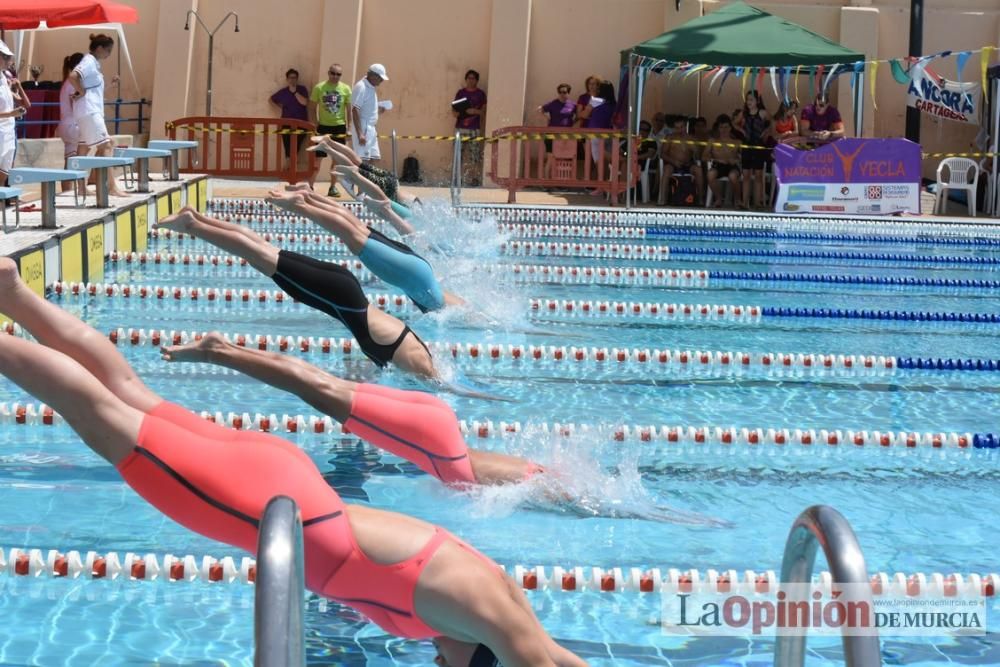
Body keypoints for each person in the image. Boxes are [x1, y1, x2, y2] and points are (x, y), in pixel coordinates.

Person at [0, 258, 586, 667]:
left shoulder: (513, 613)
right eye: (445, 664)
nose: (433, 659)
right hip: (284, 516)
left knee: (127, 391)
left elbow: (564, 659)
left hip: (290, 486)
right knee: (98, 412)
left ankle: (13, 294)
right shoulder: (503, 631)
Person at [161, 333, 542, 487]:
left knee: (320, 383)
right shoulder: (544, 483)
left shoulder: (540, 471)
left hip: (436, 424)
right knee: (314, 388)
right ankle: (218, 352)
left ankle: (225, 349)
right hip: (432, 443)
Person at [153, 207, 448, 382]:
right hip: (338, 297)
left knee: (263, 253)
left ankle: (197, 220)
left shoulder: (417, 355)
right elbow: (438, 386)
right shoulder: (420, 367)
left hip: (342, 291)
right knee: (261, 254)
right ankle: (192, 226)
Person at [68, 33, 125, 197]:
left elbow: (93, 90)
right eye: (108, 50)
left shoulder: (93, 64)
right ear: (99, 48)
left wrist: (109, 86)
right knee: (106, 145)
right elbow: (73, 77)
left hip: (87, 111)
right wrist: (81, 90)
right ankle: (110, 187)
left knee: (84, 148)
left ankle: (81, 187)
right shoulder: (89, 62)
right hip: (90, 111)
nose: (109, 54)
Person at [309, 64, 352, 195]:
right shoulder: (319, 88)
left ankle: (332, 187)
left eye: (338, 74)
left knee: (337, 160)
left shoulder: (346, 88)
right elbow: (311, 107)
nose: (335, 76)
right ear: (328, 73)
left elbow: (349, 110)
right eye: (333, 73)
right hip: (323, 127)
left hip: (339, 127)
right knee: (318, 159)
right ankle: (310, 186)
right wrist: (315, 125)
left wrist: (349, 128)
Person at [269, 68, 310, 170]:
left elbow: (304, 102)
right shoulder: (283, 92)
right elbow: (271, 100)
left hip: (301, 123)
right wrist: (280, 107)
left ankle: (289, 168)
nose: (293, 80)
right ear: (287, 79)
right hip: (286, 122)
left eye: (295, 78)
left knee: (296, 146)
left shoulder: (302, 89)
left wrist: (295, 92)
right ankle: (290, 168)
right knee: (287, 146)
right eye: (291, 78)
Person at [0, 41, 28, 188]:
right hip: (2, 131)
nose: (8, 60)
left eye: (8, 57)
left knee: (4, 174)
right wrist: (11, 113)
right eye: (5, 56)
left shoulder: (4, 78)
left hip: (8, 131)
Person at [452, 69, 487, 187]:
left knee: (474, 156)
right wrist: (455, 113)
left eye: (473, 78)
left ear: (477, 80)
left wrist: (474, 111)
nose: (470, 80)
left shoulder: (481, 94)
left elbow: (484, 112)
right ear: (465, 79)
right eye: (468, 78)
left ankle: (474, 178)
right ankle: (457, 179)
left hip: (474, 129)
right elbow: (454, 109)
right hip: (460, 128)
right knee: (458, 154)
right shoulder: (460, 93)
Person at [657, 117, 702, 206]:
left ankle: (700, 199)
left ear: (685, 127)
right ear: (674, 128)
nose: (680, 130)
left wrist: (695, 149)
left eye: (681, 127)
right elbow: (662, 154)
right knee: (667, 169)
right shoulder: (670, 137)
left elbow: (698, 157)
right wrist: (674, 161)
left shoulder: (691, 138)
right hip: (672, 164)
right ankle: (663, 199)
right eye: (677, 128)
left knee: (699, 170)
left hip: (688, 164)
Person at [58, 52, 85, 192]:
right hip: (72, 125)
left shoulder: (67, 82)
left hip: (65, 125)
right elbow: (76, 100)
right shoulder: (73, 83)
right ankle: (81, 187)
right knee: (80, 155)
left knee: (70, 159)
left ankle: (68, 190)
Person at [351, 63, 389, 163]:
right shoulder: (361, 87)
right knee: (361, 161)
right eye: (380, 78)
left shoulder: (370, 87)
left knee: (374, 158)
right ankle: (350, 179)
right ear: (371, 75)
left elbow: (365, 108)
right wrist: (360, 134)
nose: (381, 81)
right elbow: (355, 110)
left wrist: (377, 111)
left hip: (371, 128)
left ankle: (368, 179)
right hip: (364, 127)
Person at [703, 114, 742, 208]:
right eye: (721, 127)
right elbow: (704, 156)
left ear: (730, 128)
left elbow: (744, 157)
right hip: (717, 165)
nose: (724, 130)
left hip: (732, 166)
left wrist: (736, 159)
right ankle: (718, 198)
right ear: (718, 128)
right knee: (710, 174)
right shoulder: (712, 141)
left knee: (733, 176)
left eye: (726, 127)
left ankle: (738, 200)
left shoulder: (737, 142)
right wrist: (715, 159)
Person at [740, 90, 770, 210]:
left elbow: (772, 122)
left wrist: (766, 132)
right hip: (747, 146)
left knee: (758, 176)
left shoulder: (762, 113)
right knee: (746, 175)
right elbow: (734, 123)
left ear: (757, 101)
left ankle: (757, 202)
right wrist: (742, 131)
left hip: (758, 146)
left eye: (751, 99)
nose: (749, 102)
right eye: (747, 99)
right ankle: (745, 202)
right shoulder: (744, 114)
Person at [538, 83, 575, 179]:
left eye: (564, 92)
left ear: (568, 93)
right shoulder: (553, 103)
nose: (562, 94)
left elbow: (578, 115)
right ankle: (546, 182)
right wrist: (547, 118)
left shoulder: (572, 104)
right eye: (560, 92)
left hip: (565, 136)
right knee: (551, 158)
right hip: (552, 134)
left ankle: (560, 182)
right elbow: (539, 109)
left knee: (563, 159)